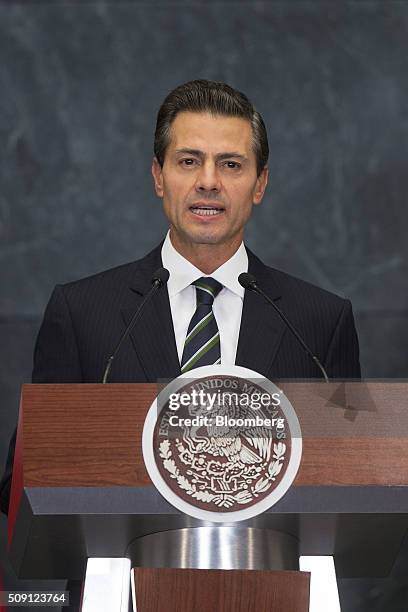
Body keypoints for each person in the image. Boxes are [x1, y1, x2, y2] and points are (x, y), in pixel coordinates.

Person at [0, 79, 360, 514]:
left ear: (260, 184)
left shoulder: (319, 322)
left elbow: (355, 482)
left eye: (230, 165)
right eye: (189, 161)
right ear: (158, 177)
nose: (208, 182)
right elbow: (26, 482)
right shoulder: (81, 314)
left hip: (273, 575)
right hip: (124, 573)